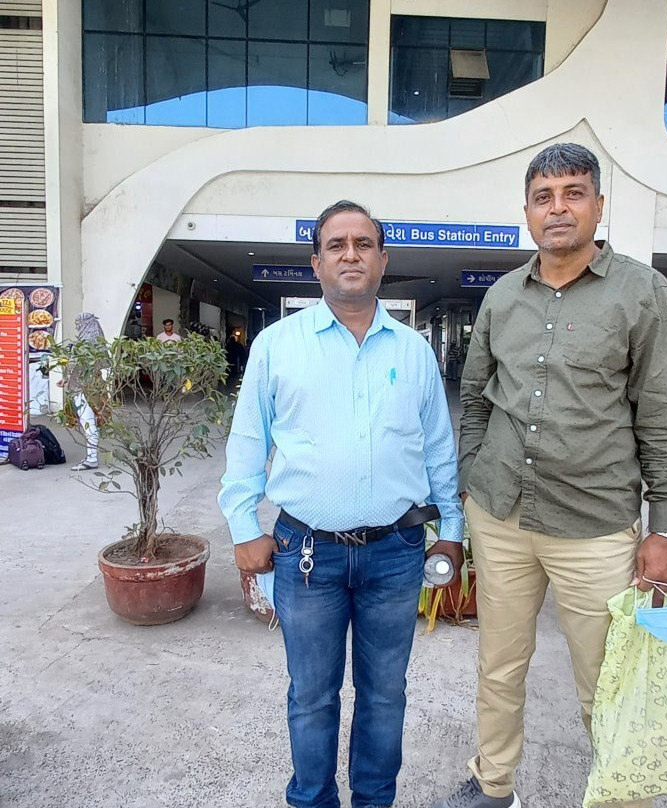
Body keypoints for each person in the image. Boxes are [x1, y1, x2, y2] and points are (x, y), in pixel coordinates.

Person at [433, 144, 667, 808]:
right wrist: (471, 476)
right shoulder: (501, 297)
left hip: (594, 525)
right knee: (499, 667)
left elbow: (662, 415)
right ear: (526, 212)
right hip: (503, 516)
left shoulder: (642, 292)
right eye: (544, 197)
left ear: (599, 206)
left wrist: (665, 528)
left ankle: (619, 794)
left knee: (606, 682)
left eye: (574, 193)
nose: (558, 208)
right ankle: (493, 787)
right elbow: (477, 397)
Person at [219, 200, 464, 808]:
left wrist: (452, 529)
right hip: (306, 554)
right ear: (317, 262)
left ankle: (374, 801)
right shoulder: (277, 346)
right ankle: (312, 800)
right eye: (337, 245)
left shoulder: (414, 353)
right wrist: (243, 526)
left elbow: (438, 448)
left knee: (386, 694)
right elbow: (248, 442)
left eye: (362, 244)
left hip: (397, 553)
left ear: (383, 260)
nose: (350, 254)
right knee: (311, 695)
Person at [61, 312, 106, 471]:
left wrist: (69, 379)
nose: (76, 325)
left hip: (85, 388)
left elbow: (79, 366)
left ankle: (92, 458)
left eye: (78, 322)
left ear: (86, 323)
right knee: (91, 421)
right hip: (90, 386)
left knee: (88, 421)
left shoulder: (88, 343)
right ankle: (91, 455)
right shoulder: (95, 341)